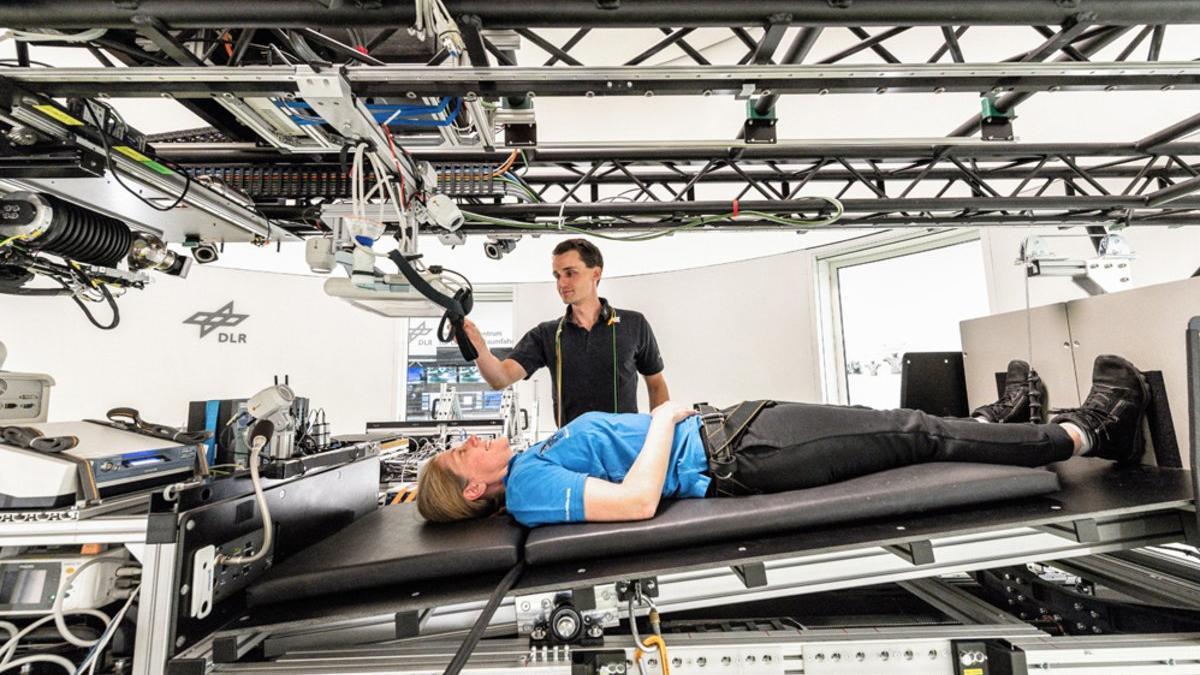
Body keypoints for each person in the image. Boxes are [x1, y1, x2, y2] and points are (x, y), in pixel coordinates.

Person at [417, 355, 1149, 528]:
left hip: (733, 429)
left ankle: (1001, 422)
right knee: (911, 433)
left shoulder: (531, 463)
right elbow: (639, 501)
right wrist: (669, 419)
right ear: (474, 488)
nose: (473, 440)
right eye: (461, 454)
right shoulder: (528, 491)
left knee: (894, 427)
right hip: (736, 454)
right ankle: (1086, 431)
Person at [462, 238, 669, 426]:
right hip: (571, 452)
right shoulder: (547, 334)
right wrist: (478, 346)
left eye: (570, 273)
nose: (562, 283)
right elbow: (500, 378)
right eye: (557, 275)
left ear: (596, 273)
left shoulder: (634, 324)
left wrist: (660, 435)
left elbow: (656, 383)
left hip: (624, 448)